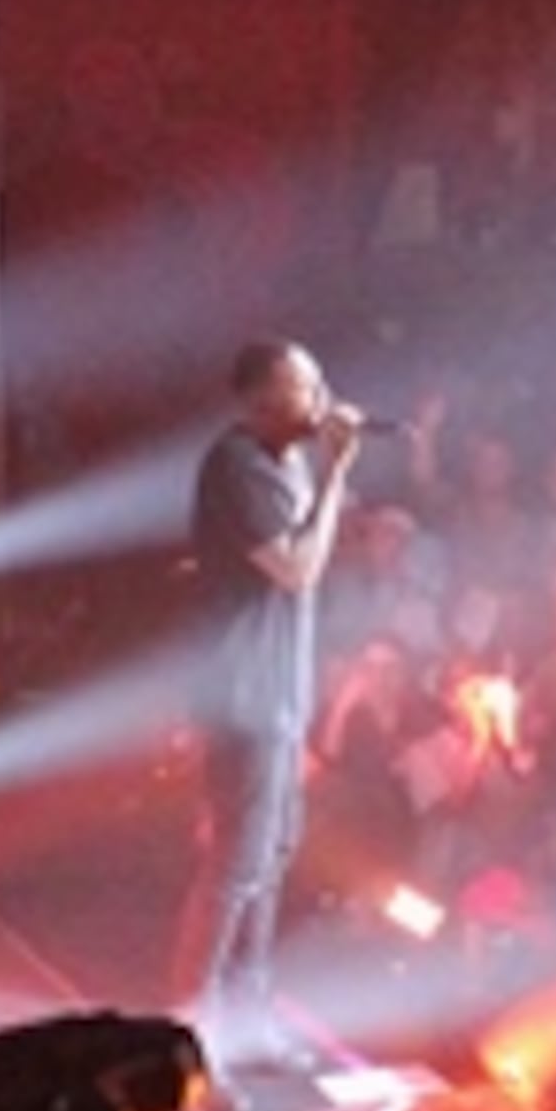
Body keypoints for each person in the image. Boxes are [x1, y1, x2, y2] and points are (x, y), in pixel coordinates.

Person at [184, 338, 359, 1054]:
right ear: (262, 402)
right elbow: (297, 569)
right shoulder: (238, 465)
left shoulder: (284, 461)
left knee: (275, 852)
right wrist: (339, 471)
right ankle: (192, 1031)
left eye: (320, 383)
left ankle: (248, 1014)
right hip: (246, 693)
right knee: (237, 863)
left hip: (285, 687)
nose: (320, 398)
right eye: (304, 387)